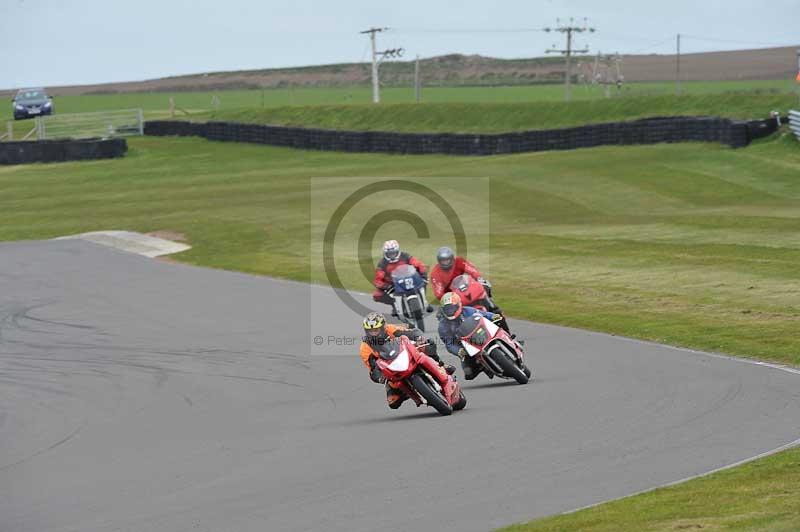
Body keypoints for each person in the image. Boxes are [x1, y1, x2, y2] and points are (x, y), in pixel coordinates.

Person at [360, 312, 454, 409]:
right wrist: (380, 377)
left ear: (383, 327)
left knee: (428, 344)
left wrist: (419, 338)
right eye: (370, 331)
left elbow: (411, 332)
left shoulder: (391, 329)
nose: (374, 333)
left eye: (376, 330)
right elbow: (373, 368)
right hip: (392, 371)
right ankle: (408, 392)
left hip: (406, 355)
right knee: (393, 402)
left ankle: (440, 364)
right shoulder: (365, 347)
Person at [437, 292, 515, 380]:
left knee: (500, 318)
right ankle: (483, 366)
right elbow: (449, 344)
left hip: (482, 333)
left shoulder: (468, 311)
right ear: (443, 310)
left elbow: (484, 314)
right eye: (447, 309)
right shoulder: (443, 326)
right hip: (466, 346)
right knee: (469, 373)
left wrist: (494, 316)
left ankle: (509, 338)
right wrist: (459, 351)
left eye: (452, 308)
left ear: (459, 304)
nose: (450, 311)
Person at [372, 240, 432, 314]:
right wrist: (386, 286)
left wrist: (423, 274)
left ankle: (424, 301)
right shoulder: (382, 263)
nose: (392, 255)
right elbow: (377, 280)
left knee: (423, 282)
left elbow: (418, 264)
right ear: (385, 254)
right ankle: (395, 305)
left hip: (409, 278)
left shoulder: (405, 256)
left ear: (398, 251)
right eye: (389, 254)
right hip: (393, 284)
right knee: (377, 295)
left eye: (393, 253)